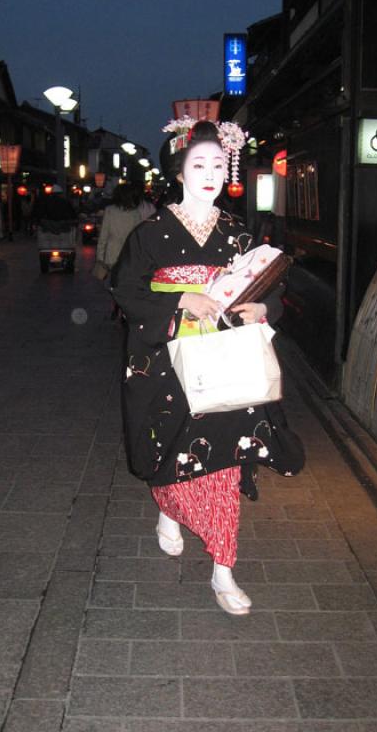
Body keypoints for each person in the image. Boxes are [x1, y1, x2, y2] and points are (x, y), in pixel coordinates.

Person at [111, 120, 304, 616]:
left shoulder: (237, 232)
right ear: (179, 171)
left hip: (224, 359)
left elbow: (266, 288)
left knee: (222, 461)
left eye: (219, 165)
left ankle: (224, 569)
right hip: (168, 361)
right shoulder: (150, 234)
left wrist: (264, 309)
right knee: (170, 452)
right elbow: (126, 291)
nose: (210, 174)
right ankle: (168, 507)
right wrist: (179, 302)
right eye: (199, 164)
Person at [95, 183, 144, 318]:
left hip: (112, 254)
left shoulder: (110, 210)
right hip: (128, 255)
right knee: (125, 284)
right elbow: (138, 236)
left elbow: (104, 235)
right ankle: (122, 307)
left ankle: (117, 304)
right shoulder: (135, 213)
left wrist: (100, 255)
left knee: (113, 283)